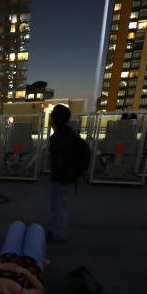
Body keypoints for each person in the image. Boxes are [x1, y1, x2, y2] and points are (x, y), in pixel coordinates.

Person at [47, 104, 87, 243]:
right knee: (61, 206)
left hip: (61, 178)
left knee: (58, 208)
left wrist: (58, 171)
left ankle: (58, 235)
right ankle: (56, 231)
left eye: (52, 115)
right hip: (69, 177)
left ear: (55, 118)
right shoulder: (69, 133)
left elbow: (60, 159)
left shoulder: (58, 137)